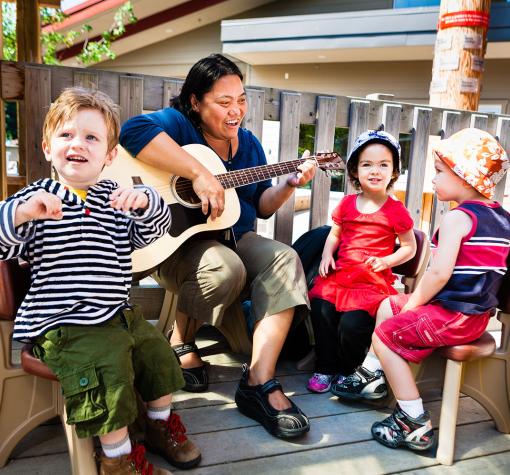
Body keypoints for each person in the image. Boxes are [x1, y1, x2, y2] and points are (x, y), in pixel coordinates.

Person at [0, 87, 202, 474]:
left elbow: (153, 231)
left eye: (91, 137)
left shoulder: (116, 197)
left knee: (157, 352)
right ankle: (117, 460)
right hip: (61, 326)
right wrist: (23, 213)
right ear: (47, 147)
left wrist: (145, 202)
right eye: (66, 135)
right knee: (107, 369)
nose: (78, 144)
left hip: (114, 316)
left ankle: (160, 427)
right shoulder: (38, 198)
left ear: (109, 155)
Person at [120, 54, 316, 439]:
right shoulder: (178, 124)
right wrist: (198, 173)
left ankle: (259, 380)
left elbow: (261, 204)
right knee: (225, 268)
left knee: (285, 258)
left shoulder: (249, 145)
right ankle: (181, 339)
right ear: (195, 101)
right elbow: (133, 130)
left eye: (241, 100)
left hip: (235, 237)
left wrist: (288, 184)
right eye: (223, 102)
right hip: (173, 243)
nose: (236, 111)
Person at [365, 128, 510, 452]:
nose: (433, 180)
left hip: (451, 315)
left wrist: (414, 303)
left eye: (440, 172)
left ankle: (413, 421)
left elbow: (439, 273)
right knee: (389, 305)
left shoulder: (460, 218)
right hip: (474, 317)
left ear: (465, 176)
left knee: (384, 335)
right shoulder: (504, 220)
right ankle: (372, 375)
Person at [306, 130, 416, 395]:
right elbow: (335, 233)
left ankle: (350, 370)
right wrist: (326, 254)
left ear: (394, 172)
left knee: (353, 325)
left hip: (369, 284)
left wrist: (388, 259)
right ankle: (325, 366)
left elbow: (410, 247)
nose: (375, 171)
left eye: (383, 164)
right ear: (354, 171)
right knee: (321, 310)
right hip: (340, 277)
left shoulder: (395, 210)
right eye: (367, 164)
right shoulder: (346, 204)